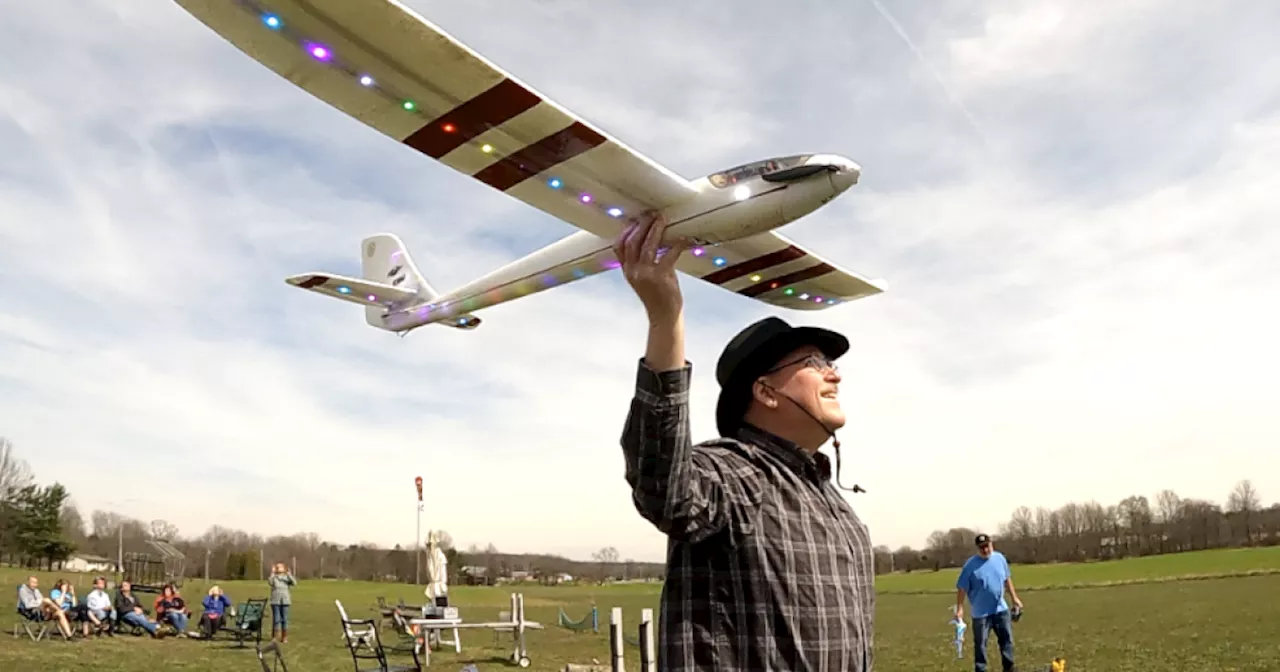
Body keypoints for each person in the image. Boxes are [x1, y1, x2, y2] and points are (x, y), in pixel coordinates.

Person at [613, 211, 875, 671]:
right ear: (765, 391)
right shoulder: (736, 474)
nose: (834, 372)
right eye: (814, 362)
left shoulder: (833, 503)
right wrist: (665, 318)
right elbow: (664, 487)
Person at [955, 534, 1023, 672]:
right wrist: (960, 608)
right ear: (977, 548)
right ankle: (981, 669)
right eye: (982, 548)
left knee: (1007, 641)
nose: (985, 550)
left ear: (991, 544)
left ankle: (1009, 668)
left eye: (987, 546)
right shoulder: (970, 566)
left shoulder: (1000, 558)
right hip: (980, 614)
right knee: (981, 645)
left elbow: (1007, 579)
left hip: (1000, 609)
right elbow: (961, 588)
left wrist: (1014, 598)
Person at [267, 562, 296, 642]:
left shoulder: (287, 577)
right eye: (277, 567)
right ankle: (275, 636)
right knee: (276, 619)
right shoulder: (274, 577)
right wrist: (272, 573)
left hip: (285, 600)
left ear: (284, 568)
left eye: (280, 567)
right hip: (275, 601)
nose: (278, 568)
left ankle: (284, 637)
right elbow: (270, 582)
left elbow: (294, 583)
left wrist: (289, 574)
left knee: (285, 619)